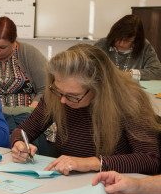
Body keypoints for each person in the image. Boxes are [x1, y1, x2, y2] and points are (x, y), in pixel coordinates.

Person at [11, 44, 161, 175]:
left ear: (99, 87)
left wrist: (92, 163)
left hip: (117, 185)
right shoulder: (57, 95)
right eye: (59, 91)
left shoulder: (129, 100)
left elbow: (150, 159)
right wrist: (19, 144)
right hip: (69, 181)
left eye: (73, 96)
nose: (62, 100)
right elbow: (23, 131)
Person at [0, 16, 48, 107]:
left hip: (26, 116)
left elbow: (46, 89)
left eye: (2, 47)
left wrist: (31, 112)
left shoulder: (28, 53)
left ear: (13, 42)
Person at [94, 14, 161, 81]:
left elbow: (157, 72)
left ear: (136, 39)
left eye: (127, 40)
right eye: (118, 38)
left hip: (133, 89)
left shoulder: (144, 46)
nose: (121, 43)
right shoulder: (101, 44)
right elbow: (88, 68)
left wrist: (129, 75)